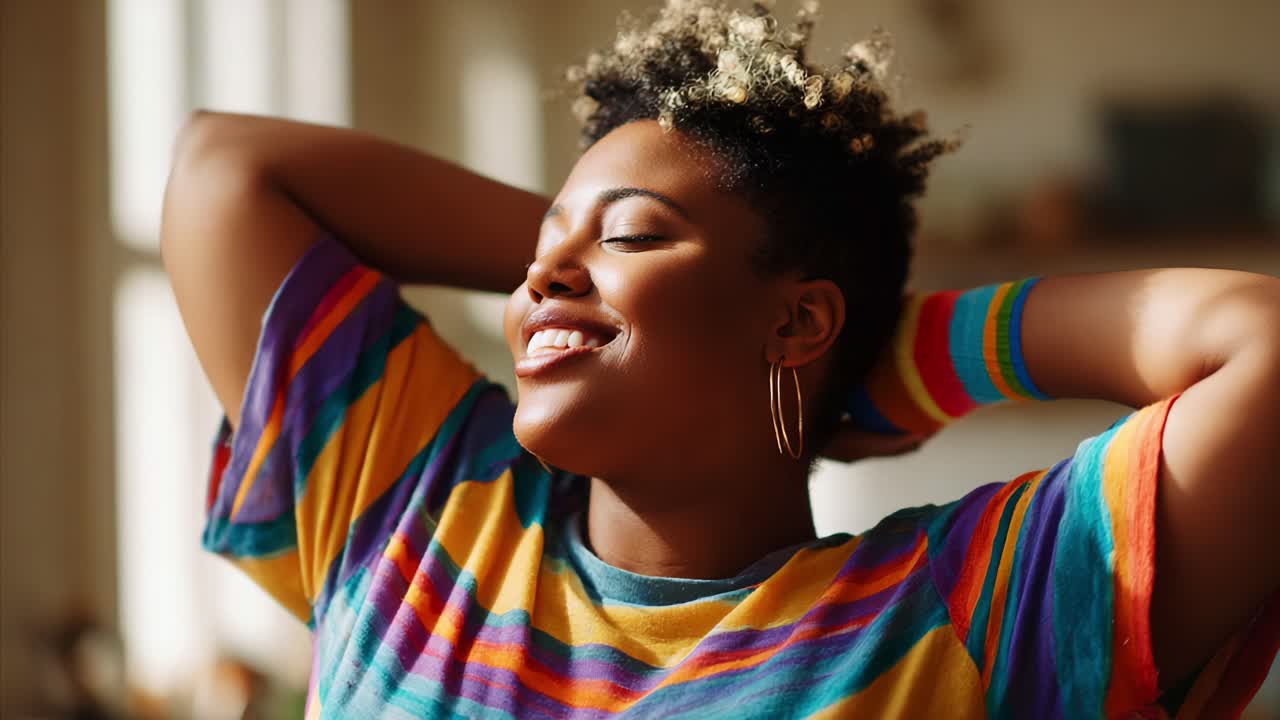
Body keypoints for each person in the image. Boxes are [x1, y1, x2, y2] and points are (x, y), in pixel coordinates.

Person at [161, 1, 1279, 717]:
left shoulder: (961, 615)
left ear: (798, 323)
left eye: (635, 233)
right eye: (540, 251)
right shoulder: (416, 503)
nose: (538, 278)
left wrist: (907, 358)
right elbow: (225, 168)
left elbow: (1260, 348)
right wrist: (583, 259)